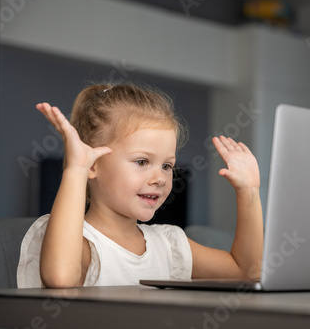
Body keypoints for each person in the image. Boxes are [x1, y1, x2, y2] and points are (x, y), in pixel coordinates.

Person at [17, 82, 263, 288]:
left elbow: (246, 272)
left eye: (167, 166)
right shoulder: (78, 244)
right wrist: (76, 169)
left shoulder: (170, 245)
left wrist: (249, 191)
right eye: (142, 161)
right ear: (93, 165)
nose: (160, 178)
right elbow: (61, 277)